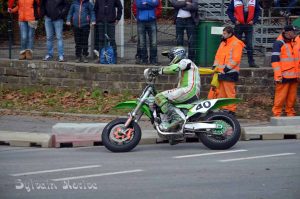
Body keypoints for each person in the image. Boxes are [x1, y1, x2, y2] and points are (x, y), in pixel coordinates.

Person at [147, 46, 201, 131]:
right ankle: (169, 124)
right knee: (161, 99)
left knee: (159, 97)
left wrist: (159, 70)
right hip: (189, 91)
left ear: (178, 55)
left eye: (171, 56)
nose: (170, 59)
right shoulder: (185, 65)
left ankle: (177, 118)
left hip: (189, 90)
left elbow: (174, 69)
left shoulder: (186, 61)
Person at [208, 26, 245, 115]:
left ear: (230, 34)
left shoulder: (237, 43)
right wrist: (215, 66)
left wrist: (226, 69)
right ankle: (224, 109)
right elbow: (218, 56)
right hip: (221, 72)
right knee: (221, 92)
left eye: (224, 33)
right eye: (223, 33)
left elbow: (236, 59)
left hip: (230, 72)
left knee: (229, 92)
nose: (223, 35)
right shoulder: (223, 43)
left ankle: (231, 110)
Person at [271, 25, 299, 117]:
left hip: (294, 76)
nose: (295, 34)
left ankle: (290, 113)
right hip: (283, 76)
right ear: (287, 32)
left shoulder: (293, 42)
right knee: (280, 97)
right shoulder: (279, 43)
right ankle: (277, 114)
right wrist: (278, 76)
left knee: (292, 98)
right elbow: (275, 61)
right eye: (293, 32)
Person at [227, 0, 261, 68]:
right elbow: (229, 11)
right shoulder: (235, 1)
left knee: (249, 45)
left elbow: (258, 11)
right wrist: (234, 20)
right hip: (239, 25)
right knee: (236, 45)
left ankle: (251, 63)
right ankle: (234, 62)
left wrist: (254, 21)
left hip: (249, 25)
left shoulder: (254, 1)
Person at [132, 0, 162, 65]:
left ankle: (153, 60)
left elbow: (156, 3)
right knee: (142, 42)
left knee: (154, 42)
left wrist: (146, 2)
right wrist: (150, 4)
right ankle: (144, 60)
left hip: (152, 20)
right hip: (141, 21)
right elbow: (139, 4)